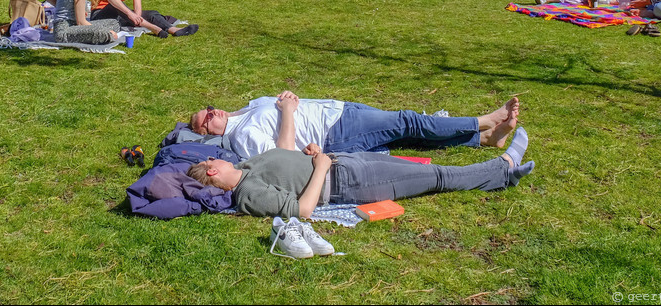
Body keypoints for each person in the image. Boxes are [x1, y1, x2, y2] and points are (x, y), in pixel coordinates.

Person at [187, 113, 534, 220]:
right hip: (346, 183)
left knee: (427, 171)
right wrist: (320, 168)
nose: (216, 156)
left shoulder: (248, 166)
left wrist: (311, 154)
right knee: (434, 176)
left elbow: (287, 162)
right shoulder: (246, 193)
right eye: (211, 159)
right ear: (214, 171)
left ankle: (500, 171)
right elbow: (302, 210)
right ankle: (501, 169)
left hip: (345, 163)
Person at [190, 91, 519, 160]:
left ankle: (484, 140)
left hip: (339, 112)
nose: (210, 112)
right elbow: (284, 156)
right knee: (408, 121)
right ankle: (484, 121)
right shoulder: (242, 137)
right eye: (205, 119)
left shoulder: (241, 114)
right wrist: (288, 111)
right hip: (337, 132)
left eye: (207, 109)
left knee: (409, 135)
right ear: (208, 134)